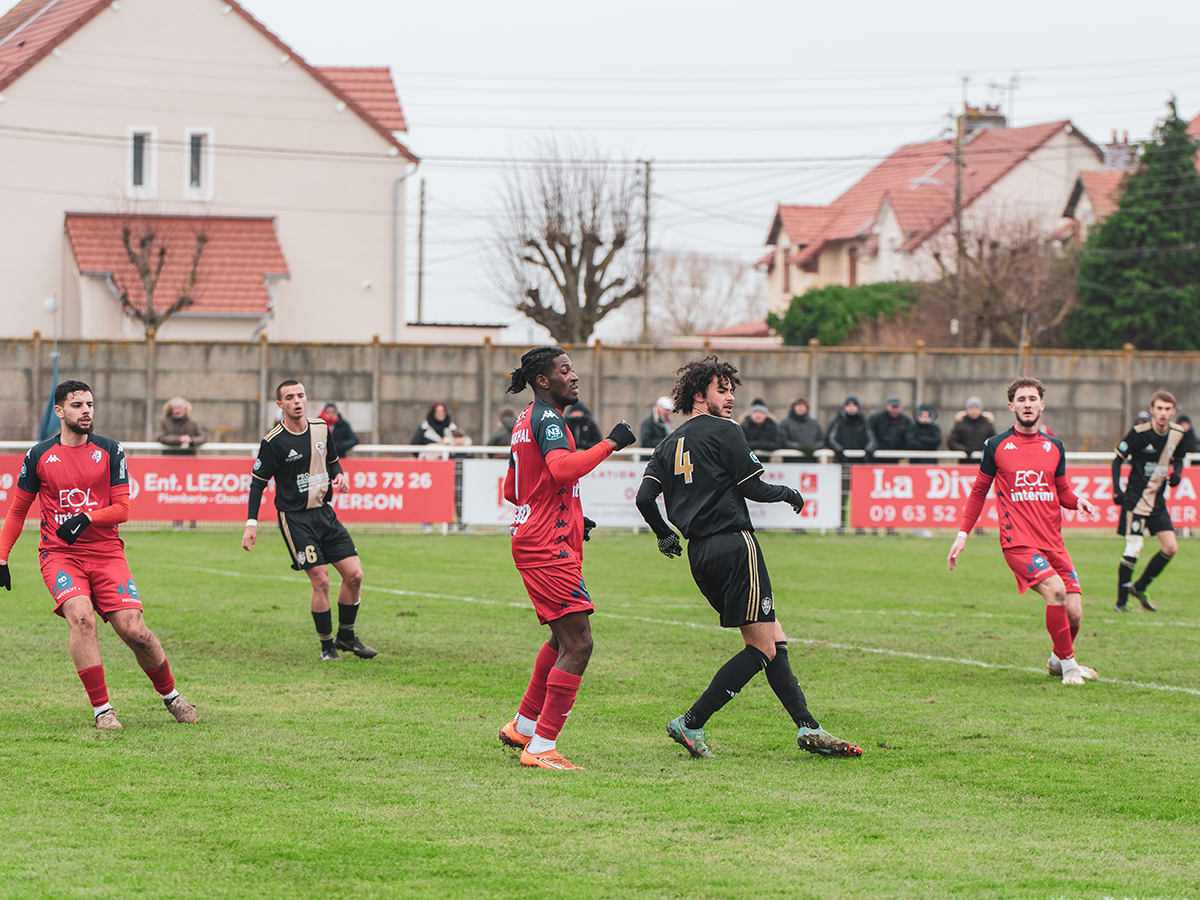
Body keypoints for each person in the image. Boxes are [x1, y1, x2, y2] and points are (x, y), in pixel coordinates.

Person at [634, 357, 862, 760]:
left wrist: (664, 533)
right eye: (722, 390)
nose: (731, 397)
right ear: (698, 395)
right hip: (735, 544)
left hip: (701, 555)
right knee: (762, 648)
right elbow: (753, 487)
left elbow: (644, 498)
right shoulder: (726, 431)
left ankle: (808, 727)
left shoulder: (668, 443)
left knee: (773, 635)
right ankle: (691, 721)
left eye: (731, 389)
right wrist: (788, 493)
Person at [0, 380, 198, 729]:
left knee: (134, 631)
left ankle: (172, 696)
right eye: (77, 405)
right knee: (82, 617)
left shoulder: (110, 450)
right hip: (60, 555)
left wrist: (87, 517)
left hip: (107, 554)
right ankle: (103, 710)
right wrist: (1, 558)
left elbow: (122, 509)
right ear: (59, 411)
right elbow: (16, 512)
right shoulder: (39, 455)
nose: (86, 410)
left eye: (89, 404)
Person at [496, 347, 636, 770]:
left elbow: (514, 490)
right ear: (543, 380)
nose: (574, 376)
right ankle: (541, 747)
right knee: (579, 644)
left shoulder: (524, 420)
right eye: (564, 370)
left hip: (538, 537)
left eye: (572, 369)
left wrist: (571, 512)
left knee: (561, 639)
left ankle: (522, 726)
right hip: (547, 547)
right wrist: (611, 442)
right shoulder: (549, 419)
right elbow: (560, 471)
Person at [946, 377, 1099, 686]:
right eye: (1021, 399)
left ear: (1041, 405)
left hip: (1053, 542)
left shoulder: (1054, 446)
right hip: (1018, 542)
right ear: (1011, 406)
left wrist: (1078, 501)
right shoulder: (997, 445)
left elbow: (1063, 491)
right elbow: (978, 492)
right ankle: (1070, 667)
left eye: (1032, 399)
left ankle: (1058, 660)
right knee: (1055, 593)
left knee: (1074, 613)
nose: (1027, 404)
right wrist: (962, 535)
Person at [242, 380, 376, 662]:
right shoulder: (273, 441)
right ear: (281, 405)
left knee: (355, 575)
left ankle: (346, 637)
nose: (296, 401)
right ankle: (327, 647)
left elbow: (332, 460)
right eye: (289, 397)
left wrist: (339, 474)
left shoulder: (320, 428)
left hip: (324, 513)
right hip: (295, 519)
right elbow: (257, 484)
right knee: (322, 580)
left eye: (300, 395)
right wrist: (251, 523)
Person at [1111, 390, 1187, 612]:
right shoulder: (1138, 433)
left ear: (1173, 411)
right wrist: (1117, 490)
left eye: (1167, 409)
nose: (1163, 413)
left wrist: (1178, 474)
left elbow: (1180, 457)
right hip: (1135, 501)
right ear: (1153, 410)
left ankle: (1140, 586)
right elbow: (1117, 461)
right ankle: (1121, 603)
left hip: (1157, 502)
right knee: (1135, 547)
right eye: (1159, 408)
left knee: (1171, 547)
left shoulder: (1177, 433)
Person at [825, 396, 876, 462]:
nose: (851, 407)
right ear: (845, 407)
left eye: (854, 405)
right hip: (841, 461)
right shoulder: (837, 422)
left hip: (860, 461)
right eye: (848, 405)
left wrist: (869, 451)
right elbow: (830, 439)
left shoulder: (864, 422)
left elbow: (872, 439)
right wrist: (839, 451)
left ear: (858, 407)